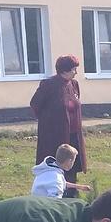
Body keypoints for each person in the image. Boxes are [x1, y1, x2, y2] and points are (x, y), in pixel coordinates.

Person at [30, 55, 87, 198]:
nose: (76, 72)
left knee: (72, 164)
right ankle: (56, 192)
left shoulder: (74, 84)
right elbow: (35, 104)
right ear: (65, 70)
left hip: (73, 134)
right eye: (74, 69)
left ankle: (71, 194)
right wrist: (50, 121)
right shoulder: (49, 85)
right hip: (55, 135)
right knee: (58, 164)